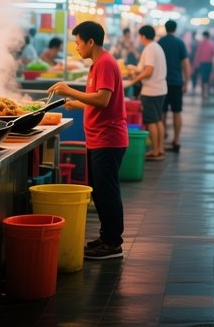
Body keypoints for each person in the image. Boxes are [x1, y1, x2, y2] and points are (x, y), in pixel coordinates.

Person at [49, 21, 128, 260]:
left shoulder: (104, 63)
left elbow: (103, 100)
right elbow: (99, 100)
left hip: (108, 138)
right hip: (98, 138)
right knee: (100, 192)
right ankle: (106, 238)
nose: (76, 48)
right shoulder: (98, 64)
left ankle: (113, 243)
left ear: (90, 42)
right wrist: (78, 103)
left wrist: (69, 91)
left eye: (78, 42)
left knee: (107, 192)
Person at [125, 25, 167, 160]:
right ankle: (160, 149)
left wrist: (133, 81)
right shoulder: (157, 47)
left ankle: (155, 150)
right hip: (160, 89)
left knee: (151, 121)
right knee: (158, 119)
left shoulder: (149, 49)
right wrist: (136, 70)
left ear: (143, 36)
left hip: (151, 90)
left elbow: (149, 71)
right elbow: (147, 68)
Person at [158, 19, 191, 153]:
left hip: (162, 82)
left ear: (165, 29)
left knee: (162, 112)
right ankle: (176, 140)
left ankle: (162, 138)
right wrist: (186, 82)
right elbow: (186, 64)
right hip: (177, 82)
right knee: (177, 112)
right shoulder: (180, 43)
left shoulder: (160, 43)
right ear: (175, 29)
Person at [193, 31, 214, 100]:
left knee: (203, 77)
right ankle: (207, 92)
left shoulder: (200, 43)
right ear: (209, 36)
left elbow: (198, 54)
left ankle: (203, 92)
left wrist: (195, 64)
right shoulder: (211, 43)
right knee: (208, 77)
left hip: (202, 63)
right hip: (209, 63)